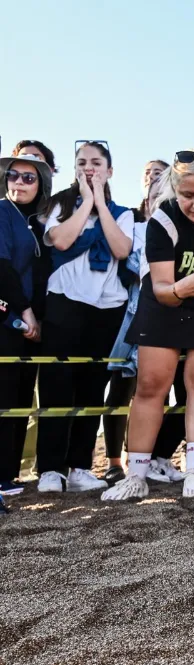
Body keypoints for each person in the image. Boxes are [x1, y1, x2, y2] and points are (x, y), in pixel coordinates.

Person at [101, 150, 194, 501]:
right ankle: (135, 474)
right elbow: (163, 290)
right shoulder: (161, 221)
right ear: (174, 190)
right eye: (188, 195)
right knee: (151, 384)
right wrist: (185, 287)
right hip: (166, 301)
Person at [36, 142, 134, 493]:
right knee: (56, 383)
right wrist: (86, 202)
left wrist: (101, 204)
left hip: (106, 308)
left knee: (93, 387)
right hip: (64, 301)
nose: (89, 168)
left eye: (96, 163)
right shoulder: (60, 205)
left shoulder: (123, 212)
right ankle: (50, 468)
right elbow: (60, 241)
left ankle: (79, 464)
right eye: (82, 163)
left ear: (109, 171)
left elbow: (121, 248)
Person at [102, 159, 169, 484]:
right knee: (121, 388)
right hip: (129, 312)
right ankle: (114, 461)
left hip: (166, 312)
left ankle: (146, 457)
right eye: (148, 173)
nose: (153, 177)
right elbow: (120, 257)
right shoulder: (131, 218)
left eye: (161, 173)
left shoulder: (178, 224)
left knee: (157, 388)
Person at [0, 154, 52, 495]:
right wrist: (26, 311)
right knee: (4, 395)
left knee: (20, 398)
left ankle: (9, 472)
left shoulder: (39, 221)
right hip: (8, 317)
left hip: (31, 325)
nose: (19, 182)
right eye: (13, 175)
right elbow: (2, 267)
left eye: (29, 178)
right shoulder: (2, 212)